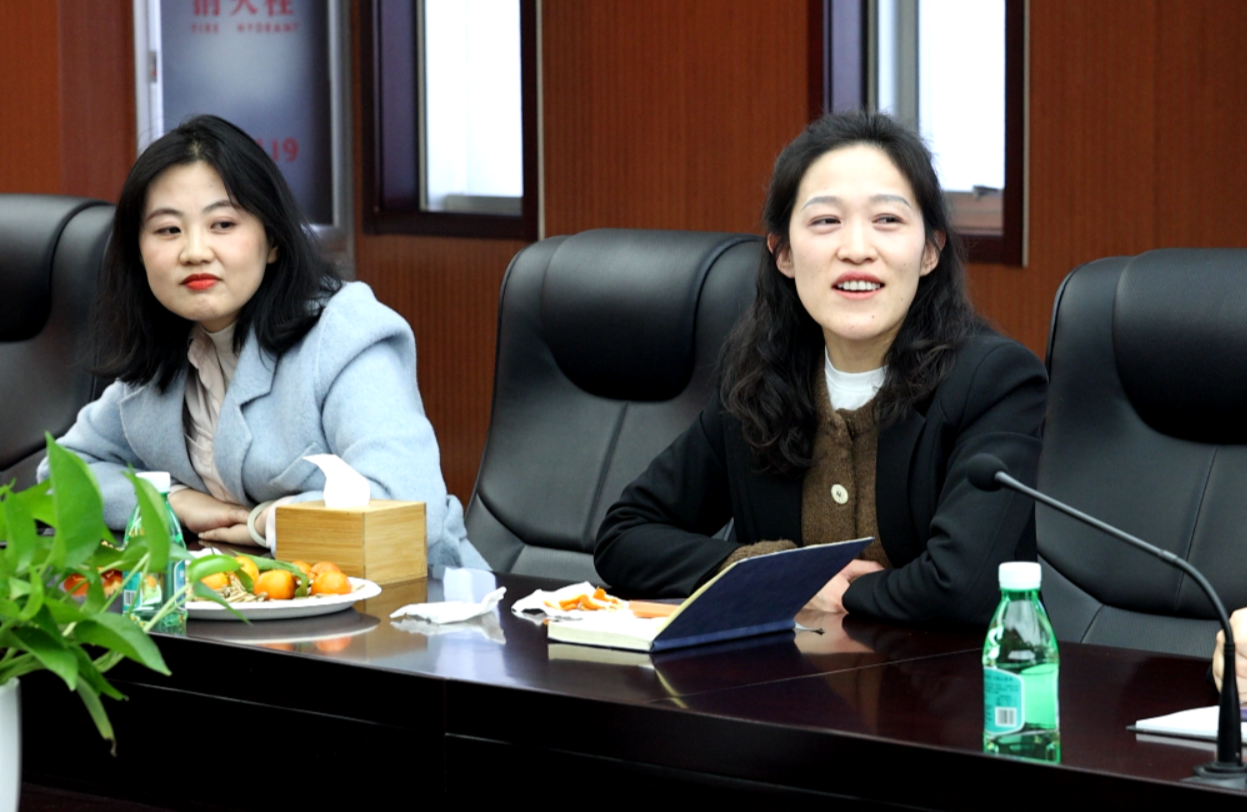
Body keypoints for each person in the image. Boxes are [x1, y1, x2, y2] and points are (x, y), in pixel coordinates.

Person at [594, 112, 1046, 625]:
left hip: (956, 676)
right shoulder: (760, 381)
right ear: (783, 253)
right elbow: (625, 536)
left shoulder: (995, 382)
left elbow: (960, 586)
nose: (856, 250)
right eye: (826, 221)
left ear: (930, 251)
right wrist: (772, 571)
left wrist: (830, 592)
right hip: (784, 676)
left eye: (887, 220)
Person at [40, 115, 485, 569]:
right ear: (138, 252)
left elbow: (407, 504)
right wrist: (171, 501)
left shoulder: (343, 332)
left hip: (416, 595)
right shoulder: (161, 353)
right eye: (168, 230)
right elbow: (61, 476)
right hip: (254, 603)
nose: (195, 251)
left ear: (272, 240)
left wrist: (268, 522)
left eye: (222, 224)